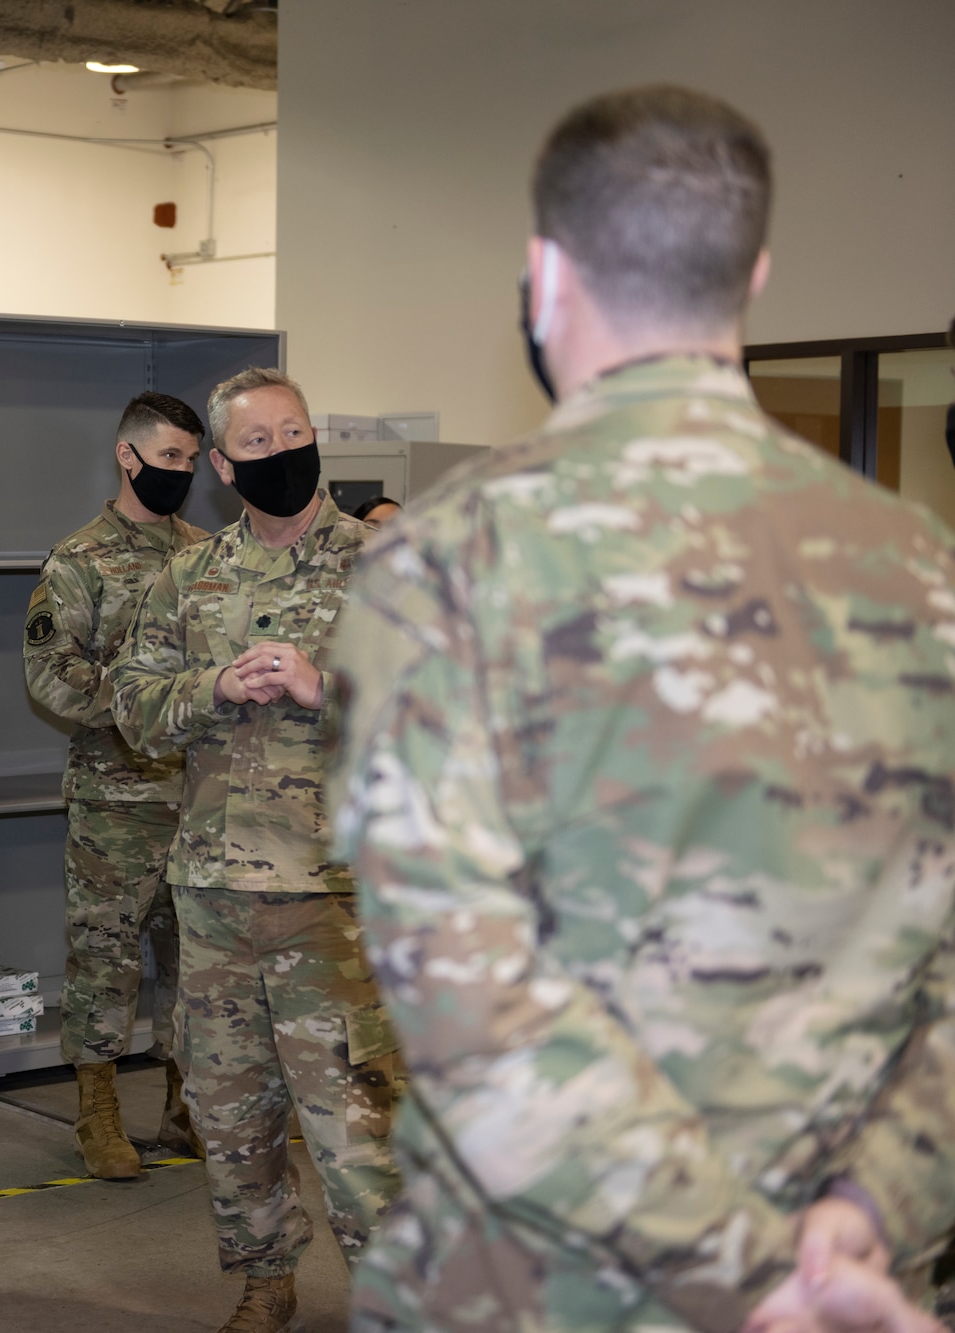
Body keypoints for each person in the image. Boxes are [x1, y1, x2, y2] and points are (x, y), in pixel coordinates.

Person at [328, 85, 955, 1333]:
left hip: (547, 1290)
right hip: (850, 1285)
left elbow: (467, 1001)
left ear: (543, 274)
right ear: (754, 272)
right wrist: (861, 1221)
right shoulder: (919, 565)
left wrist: (743, 1268)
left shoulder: (446, 563)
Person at [111, 366, 404, 1333]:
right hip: (213, 896)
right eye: (260, 445)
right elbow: (133, 711)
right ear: (226, 469)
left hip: (335, 901)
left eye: (295, 434)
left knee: (356, 1129)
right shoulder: (188, 578)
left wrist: (332, 691)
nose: (283, 455)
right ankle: (264, 1277)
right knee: (234, 1120)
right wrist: (212, 691)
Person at [22, 391, 211, 1180]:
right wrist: (143, 705)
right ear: (127, 456)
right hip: (117, 795)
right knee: (105, 958)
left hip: (198, 796)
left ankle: (182, 1102)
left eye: (193, 462)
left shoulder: (210, 553)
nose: (183, 473)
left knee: (196, 960)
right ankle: (97, 1112)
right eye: (170, 458)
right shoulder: (80, 559)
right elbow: (49, 674)